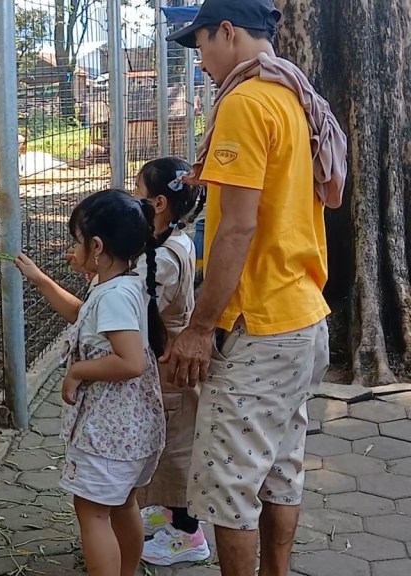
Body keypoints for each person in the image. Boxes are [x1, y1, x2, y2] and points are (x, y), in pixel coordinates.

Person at [163, 1, 346, 575]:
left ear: (228, 31)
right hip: (303, 317)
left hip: (257, 326)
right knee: (281, 469)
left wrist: (198, 328)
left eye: (201, 47)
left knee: (230, 487)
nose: (200, 63)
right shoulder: (294, 93)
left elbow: (237, 226)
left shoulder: (245, 101)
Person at [15, 188, 167, 576]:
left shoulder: (111, 297)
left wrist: (77, 371)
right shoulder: (124, 284)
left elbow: (130, 361)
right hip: (133, 430)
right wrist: (42, 280)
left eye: (79, 242)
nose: (75, 248)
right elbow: (85, 316)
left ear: (96, 246)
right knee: (123, 505)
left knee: (94, 516)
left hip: (108, 432)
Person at [126, 158, 209, 566]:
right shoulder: (174, 240)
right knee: (165, 445)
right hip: (166, 362)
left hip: (169, 365)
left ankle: (188, 535)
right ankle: (168, 510)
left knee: (176, 451)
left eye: (137, 190)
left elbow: (137, 306)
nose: (133, 196)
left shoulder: (165, 257)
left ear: (158, 202)